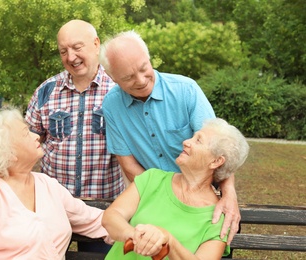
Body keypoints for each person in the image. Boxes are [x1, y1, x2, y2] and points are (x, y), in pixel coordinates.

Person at [99, 30, 240, 243]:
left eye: (143, 68)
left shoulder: (186, 90)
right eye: (128, 77)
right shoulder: (111, 105)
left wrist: (229, 193)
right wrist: (167, 201)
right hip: (154, 201)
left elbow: (217, 148)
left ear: (149, 59)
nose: (140, 80)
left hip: (200, 200)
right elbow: (128, 166)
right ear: (112, 77)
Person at [0, 109, 112, 259]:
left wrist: (132, 230)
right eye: (26, 133)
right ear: (8, 152)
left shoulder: (47, 185)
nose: (36, 135)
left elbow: (95, 220)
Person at [102, 118, 250, 259]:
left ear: (216, 161)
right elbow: (111, 216)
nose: (186, 142)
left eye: (198, 140)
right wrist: (137, 236)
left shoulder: (217, 218)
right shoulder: (152, 179)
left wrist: (169, 242)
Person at [25, 19, 124, 199]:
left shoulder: (120, 90)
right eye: (64, 51)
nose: (70, 57)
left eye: (77, 48)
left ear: (96, 44)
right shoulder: (45, 91)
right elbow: (27, 144)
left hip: (106, 206)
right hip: (54, 204)